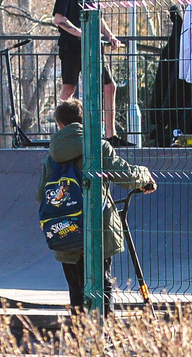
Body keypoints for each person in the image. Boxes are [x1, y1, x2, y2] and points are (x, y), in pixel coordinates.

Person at [41, 101, 154, 310]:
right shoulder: (97, 147)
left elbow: (41, 195)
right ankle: (101, 336)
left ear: (59, 125)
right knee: (101, 287)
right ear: (86, 122)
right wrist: (145, 176)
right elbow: (126, 176)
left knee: (76, 290)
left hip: (65, 231)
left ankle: (81, 336)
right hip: (97, 229)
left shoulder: (52, 157)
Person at [50, 0, 119, 130]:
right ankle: (63, 132)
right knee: (69, 89)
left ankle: (111, 135)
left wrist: (109, 35)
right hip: (72, 47)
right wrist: (81, 33)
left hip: (93, 48)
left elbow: (98, 16)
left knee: (109, 86)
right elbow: (59, 19)